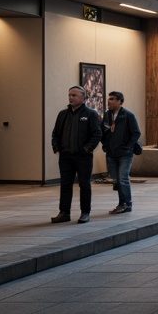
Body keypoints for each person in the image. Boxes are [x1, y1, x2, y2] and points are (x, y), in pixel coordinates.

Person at [50, 85, 102, 224]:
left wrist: (87, 149)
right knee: (65, 184)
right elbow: (55, 133)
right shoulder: (63, 114)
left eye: (74, 95)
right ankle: (64, 212)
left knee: (84, 184)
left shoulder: (90, 114)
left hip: (83, 156)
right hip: (66, 156)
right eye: (69, 95)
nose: (71, 98)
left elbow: (97, 133)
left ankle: (85, 212)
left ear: (83, 98)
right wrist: (56, 147)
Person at [100, 91, 141, 214]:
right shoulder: (107, 115)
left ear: (120, 101)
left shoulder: (128, 115)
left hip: (125, 154)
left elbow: (136, 133)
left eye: (112, 99)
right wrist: (105, 145)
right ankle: (121, 203)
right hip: (111, 153)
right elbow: (103, 131)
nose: (109, 101)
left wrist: (128, 147)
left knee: (123, 178)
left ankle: (127, 204)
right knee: (116, 180)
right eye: (109, 99)